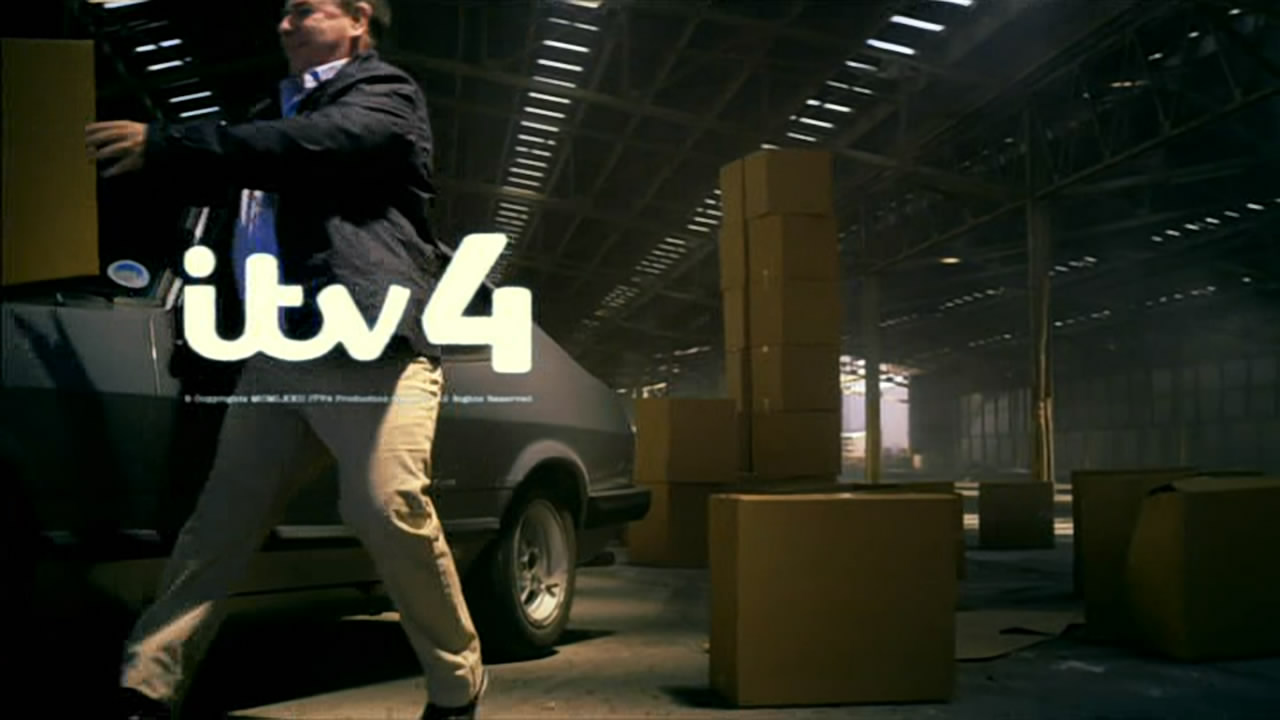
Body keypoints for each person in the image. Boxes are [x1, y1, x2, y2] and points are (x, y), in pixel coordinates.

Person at [84, 2, 488, 719]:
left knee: (385, 508)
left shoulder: (384, 94)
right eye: (280, 12)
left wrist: (172, 141)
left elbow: (322, 143)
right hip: (274, 354)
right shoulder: (267, 114)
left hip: (366, 349)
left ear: (358, 19)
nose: (282, 24)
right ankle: (148, 684)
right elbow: (228, 175)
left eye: (305, 9)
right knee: (220, 525)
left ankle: (457, 685)